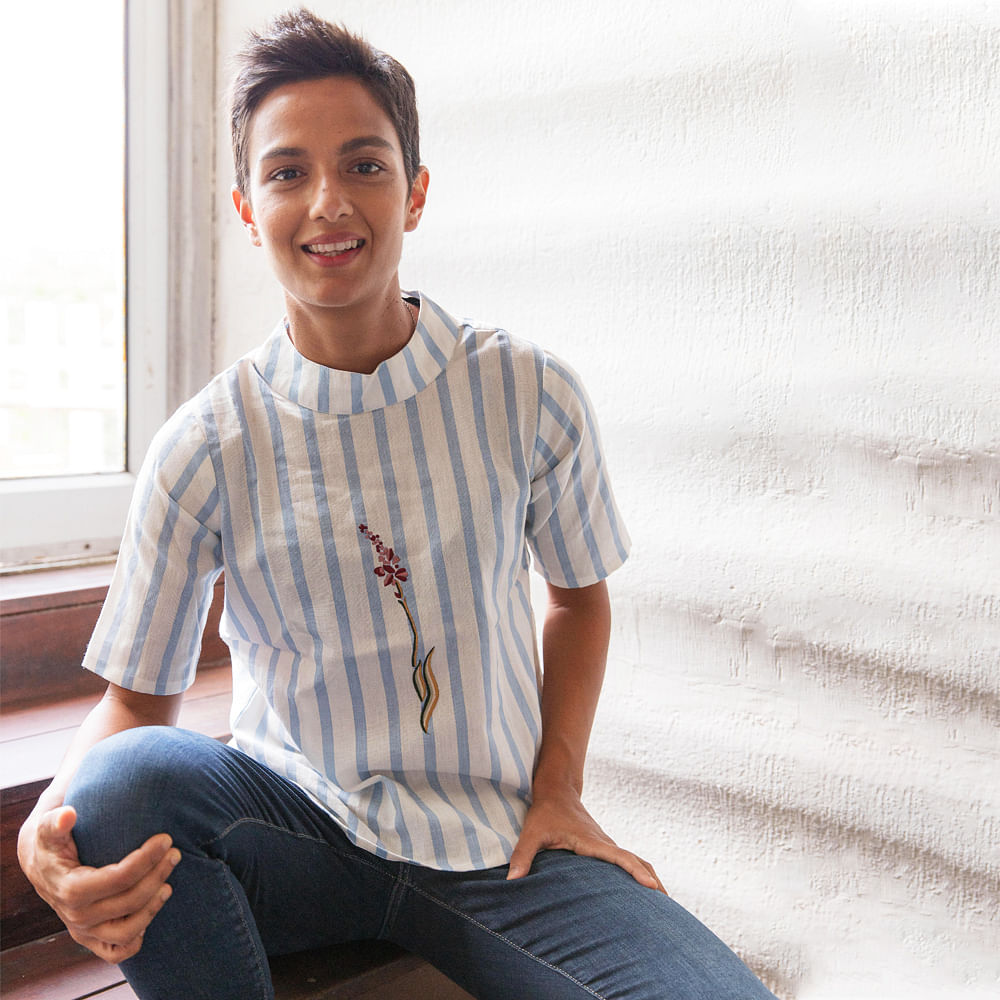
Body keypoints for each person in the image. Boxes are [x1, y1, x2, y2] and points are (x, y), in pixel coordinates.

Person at [17, 10, 776, 999]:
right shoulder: (202, 447)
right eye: (287, 172)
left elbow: (578, 598)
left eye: (364, 165)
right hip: (293, 832)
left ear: (414, 193)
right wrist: (49, 818)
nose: (328, 201)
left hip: (499, 849)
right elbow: (134, 705)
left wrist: (559, 790)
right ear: (247, 207)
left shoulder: (528, 391)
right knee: (120, 788)